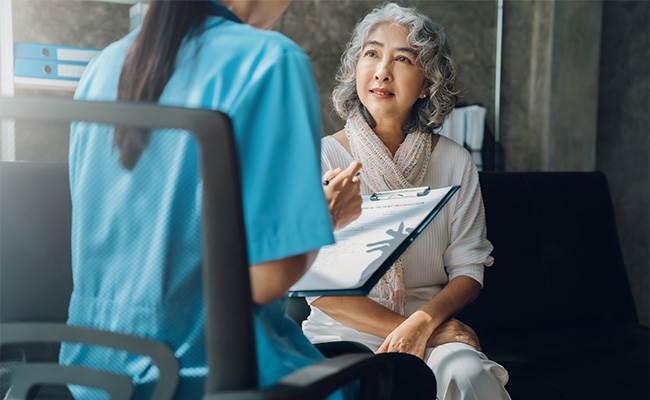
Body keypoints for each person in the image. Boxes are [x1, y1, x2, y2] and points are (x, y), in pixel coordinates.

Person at [59, 0, 433, 399]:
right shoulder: (271, 60)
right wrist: (325, 216)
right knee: (409, 377)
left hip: (94, 373)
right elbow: (266, 280)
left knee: (351, 353)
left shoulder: (104, 66)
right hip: (203, 375)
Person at [302, 3, 511, 400]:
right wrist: (410, 326)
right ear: (356, 70)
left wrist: (424, 323)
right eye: (372, 53)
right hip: (339, 335)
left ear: (428, 83)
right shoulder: (322, 157)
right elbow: (319, 289)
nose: (382, 70)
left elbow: (469, 269)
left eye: (402, 59)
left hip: (430, 328)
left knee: (467, 372)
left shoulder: (455, 160)